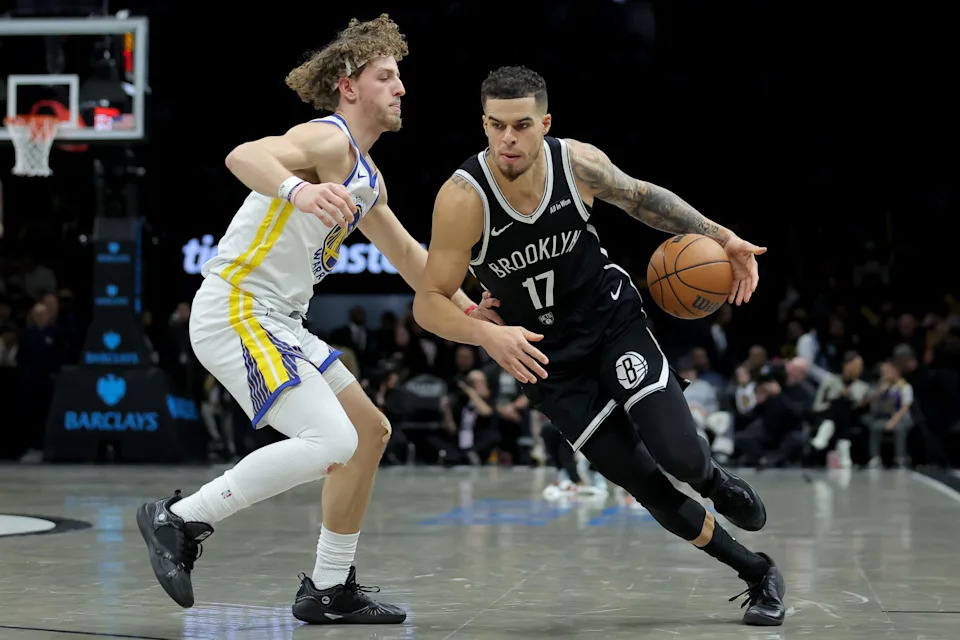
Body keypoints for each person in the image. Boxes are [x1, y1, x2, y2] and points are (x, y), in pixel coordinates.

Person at [135, 14, 500, 625]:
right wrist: (296, 191)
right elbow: (243, 154)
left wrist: (472, 310)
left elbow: (413, 260)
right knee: (332, 440)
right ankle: (181, 520)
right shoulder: (327, 140)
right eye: (386, 76)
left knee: (369, 433)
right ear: (349, 85)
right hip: (237, 306)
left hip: (282, 320)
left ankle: (329, 588)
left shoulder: (367, 177)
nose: (400, 88)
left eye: (399, 77)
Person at [412, 65, 786, 626]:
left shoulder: (576, 162)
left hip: (612, 324)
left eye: (520, 125)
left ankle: (714, 480)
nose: (507, 139)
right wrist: (482, 329)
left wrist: (723, 238)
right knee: (642, 481)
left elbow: (642, 198)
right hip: (546, 362)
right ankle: (757, 572)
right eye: (495, 126)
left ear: (545, 123)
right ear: (484, 124)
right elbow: (429, 300)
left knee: (681, 456)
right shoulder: (463, 198)